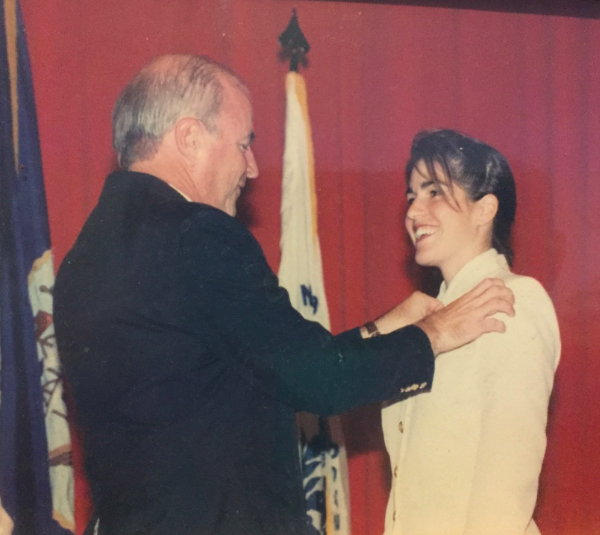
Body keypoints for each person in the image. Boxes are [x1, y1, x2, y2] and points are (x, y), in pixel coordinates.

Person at [54, 56, 514, 535]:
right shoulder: (198, 235)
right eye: (243, 144)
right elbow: (317, 382)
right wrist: (435, 332)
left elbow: (252, 370)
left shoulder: (81, 260)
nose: (252, 168)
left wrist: (383, 326)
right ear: (189, 138)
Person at [382, 129, 560, 535]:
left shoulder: (516, 299)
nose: (412, 211)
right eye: (411, 196)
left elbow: (506, 487)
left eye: (433, 192)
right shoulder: (423, 321)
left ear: (485, 210)